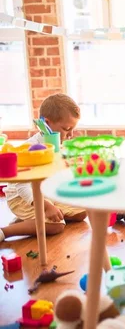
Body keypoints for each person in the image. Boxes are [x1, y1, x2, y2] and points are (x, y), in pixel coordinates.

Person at [0, 94, 86, 242]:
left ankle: (30, 221)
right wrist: (47, 207)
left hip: (45, 193)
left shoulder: (58, 144)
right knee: (57, 226)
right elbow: (23, 188)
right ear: (46, 123)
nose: (71, 135)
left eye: (73, 129)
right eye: (67, 129)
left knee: (82, 213)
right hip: (22, 197)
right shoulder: (30, 148)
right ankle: (5, 232)